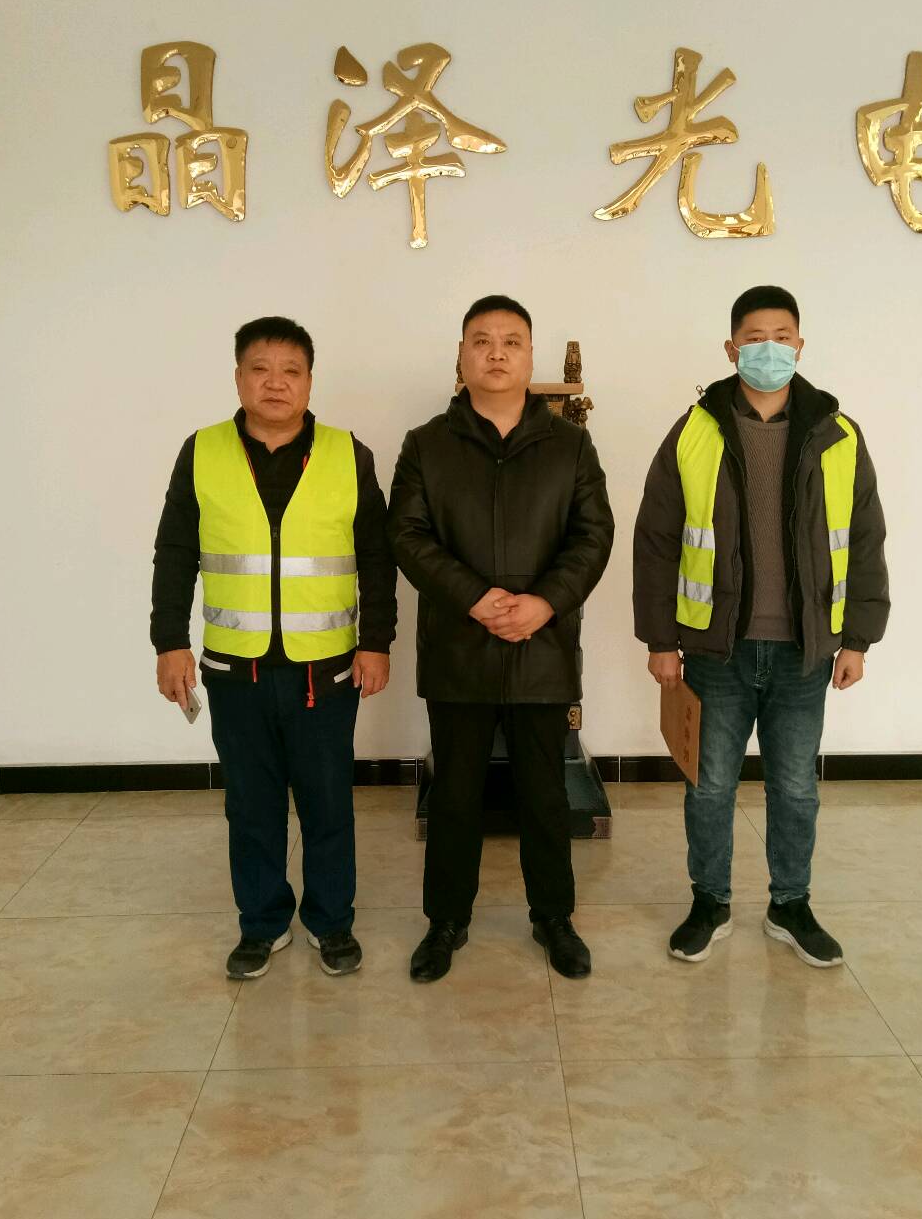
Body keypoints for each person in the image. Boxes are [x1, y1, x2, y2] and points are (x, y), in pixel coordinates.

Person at [633, 286, 889, 968]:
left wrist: (858, 639)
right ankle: (709, 902)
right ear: (731, 349)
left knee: (796, 788)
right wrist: (660, 640)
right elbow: (656, 540)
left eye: (781, 337)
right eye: (753, 338)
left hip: (806, 650)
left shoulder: (838, 434)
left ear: (800, 346)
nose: (767, 348)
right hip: (717, 649)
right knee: (710, 785)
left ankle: (790, 905)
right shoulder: (695, 431)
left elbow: (865, 539)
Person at [151, 316, 397, 981]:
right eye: (260, 369)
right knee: (251, 806)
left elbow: (377, 557)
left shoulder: (348, 454)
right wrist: (168, 641)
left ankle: (331, 921)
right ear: (238, 377)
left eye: (292, 371)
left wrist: (377, 642)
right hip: (237, 669)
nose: (276, 383)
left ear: (310, 381)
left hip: (326, 670)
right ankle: (261, 924)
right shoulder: (201, 451)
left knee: (328, 803)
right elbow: (174, 551)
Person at [387, 295, 613, 982]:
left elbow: (593, 535)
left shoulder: (570, 445)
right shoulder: (427, 444)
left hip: (542, 648)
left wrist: (544, 603)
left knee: (544, 795)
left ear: (530, 356)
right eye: (481, 340)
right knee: (455, 794)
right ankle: (444, 921)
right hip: (459, 649)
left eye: (511, 341)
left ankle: (554, 918)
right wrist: (473, 598)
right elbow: (407, 535)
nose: (495, 353)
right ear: (461, 356)